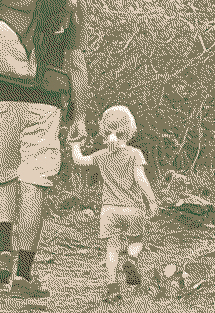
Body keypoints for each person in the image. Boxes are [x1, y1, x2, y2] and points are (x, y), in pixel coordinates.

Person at [0, 0, 91, 299]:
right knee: (34, 182)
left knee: (3, 171)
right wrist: (79, 114)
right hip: (43, 99)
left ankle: (3, 252)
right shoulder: (68, 2)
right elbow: (76, 64)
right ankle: (25, 275)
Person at [70, 105, 159, 302]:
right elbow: (141, 179)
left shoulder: (102, 155)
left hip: (109, 210)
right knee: (136, 240)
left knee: (112, 248)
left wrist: (75, 143)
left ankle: (112, 286)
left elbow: (80, 160)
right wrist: (151, 201)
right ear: (129, 130)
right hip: (133, 209)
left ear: (104, 129)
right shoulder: (134, 153)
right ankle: (131, 260)